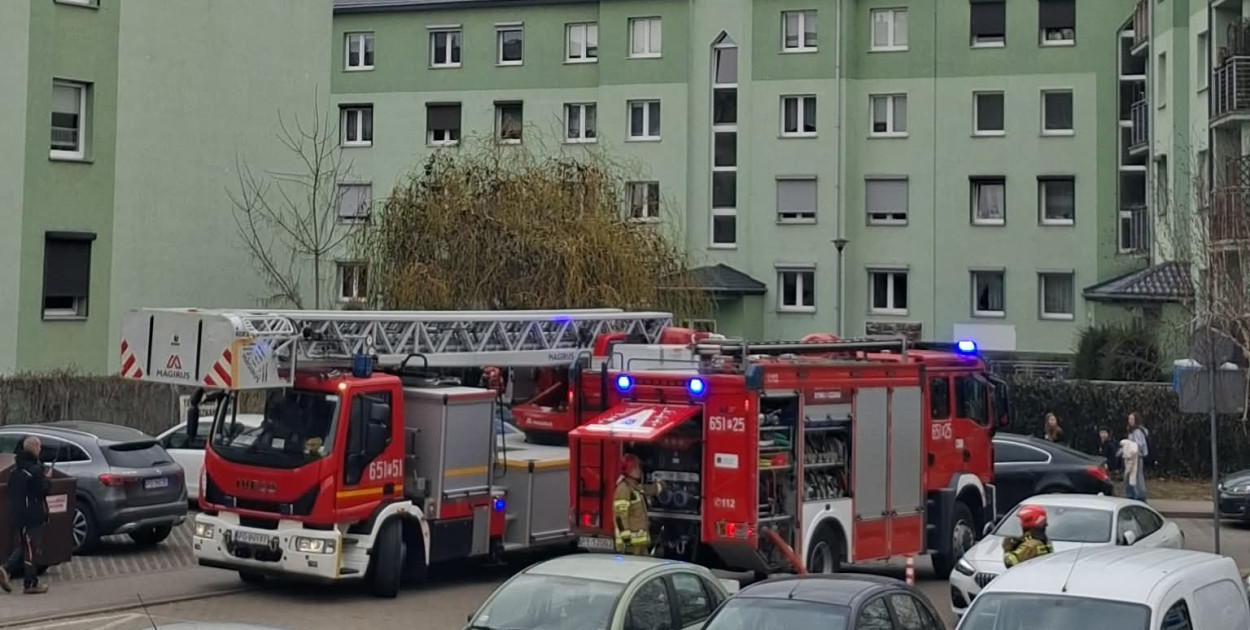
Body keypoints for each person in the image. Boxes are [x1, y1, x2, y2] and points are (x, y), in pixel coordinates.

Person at [1, 436, 50, 594]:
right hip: (32, 514)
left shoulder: (16, 468)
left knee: (24, 545)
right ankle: (30, 583)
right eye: (39, 447)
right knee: (32, 548)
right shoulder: (35, 470)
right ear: (35, 447)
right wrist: (47, 480)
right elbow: (41, 490)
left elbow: (11, 489)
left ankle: (6, 569)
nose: (40, 450)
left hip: (18, 513)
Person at [612, 453, 662, 555]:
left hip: (640, 545)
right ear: (630, 470)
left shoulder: (635, 488)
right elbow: (620, 518)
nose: (639, 470)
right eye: (636, 468)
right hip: (631, 547)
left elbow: (649, 489)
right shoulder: (623, 489)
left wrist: (662, 485)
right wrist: (627, 543)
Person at [1126, 412, 1150, 502]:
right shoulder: (1131, 430)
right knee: (1129, 476)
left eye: (1132, 419)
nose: (1130, 421)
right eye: (1129, 419)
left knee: (1137, 477)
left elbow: (1140, 444)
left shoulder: (1137, 431)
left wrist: (1131, 446)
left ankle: (1140, 496)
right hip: (1131, 457)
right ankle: (1132, 494)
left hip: (1137, 457)